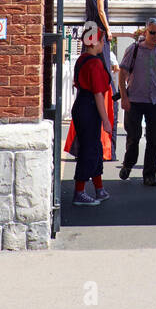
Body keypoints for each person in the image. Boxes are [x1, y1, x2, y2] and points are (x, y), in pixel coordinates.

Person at [118, 18, 156, 186]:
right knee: (133, 137)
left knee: (154, 140)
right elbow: (122, 74)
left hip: (155, 101)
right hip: (134, 100)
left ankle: (149, 175)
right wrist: (124, 97)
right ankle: (128, 164)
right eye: (153, 32)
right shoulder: (133, 50)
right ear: (146, 32)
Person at [70, 33, 114, 206]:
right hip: (89, 107)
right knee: (90, 149)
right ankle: (79, 192)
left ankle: (99, 188)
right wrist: (106, 120)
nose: (103, 44)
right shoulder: (95, 63)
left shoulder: (82, 59)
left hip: (82, 105)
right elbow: (97, 93)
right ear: (94, 43)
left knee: (93, 147)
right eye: (101, 41)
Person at [86, 0, 117, 155]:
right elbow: (101, 11)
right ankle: (109, 89)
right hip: (97, 30)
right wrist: (108, 29)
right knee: (103, 66)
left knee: (89, 61)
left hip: (89, 29)